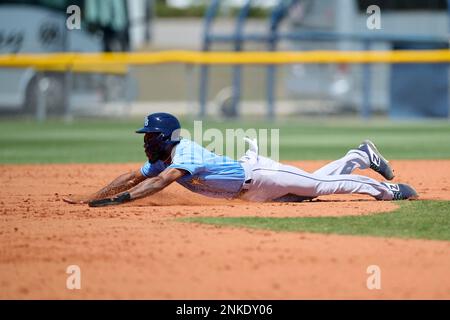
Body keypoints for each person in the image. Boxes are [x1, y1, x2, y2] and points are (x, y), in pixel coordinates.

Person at [63, 112, 418, 207]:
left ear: (165, 137)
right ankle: (358, 155)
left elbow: (158, 183)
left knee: (323, 186)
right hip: (250, 194)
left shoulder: (182, 153)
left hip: (260, 176)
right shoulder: (162, 159)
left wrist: (121, 202)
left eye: (149, 136)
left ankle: (390, 191)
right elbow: (132, 176)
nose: (145, 142)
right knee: (310, 190)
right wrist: (93, 197)